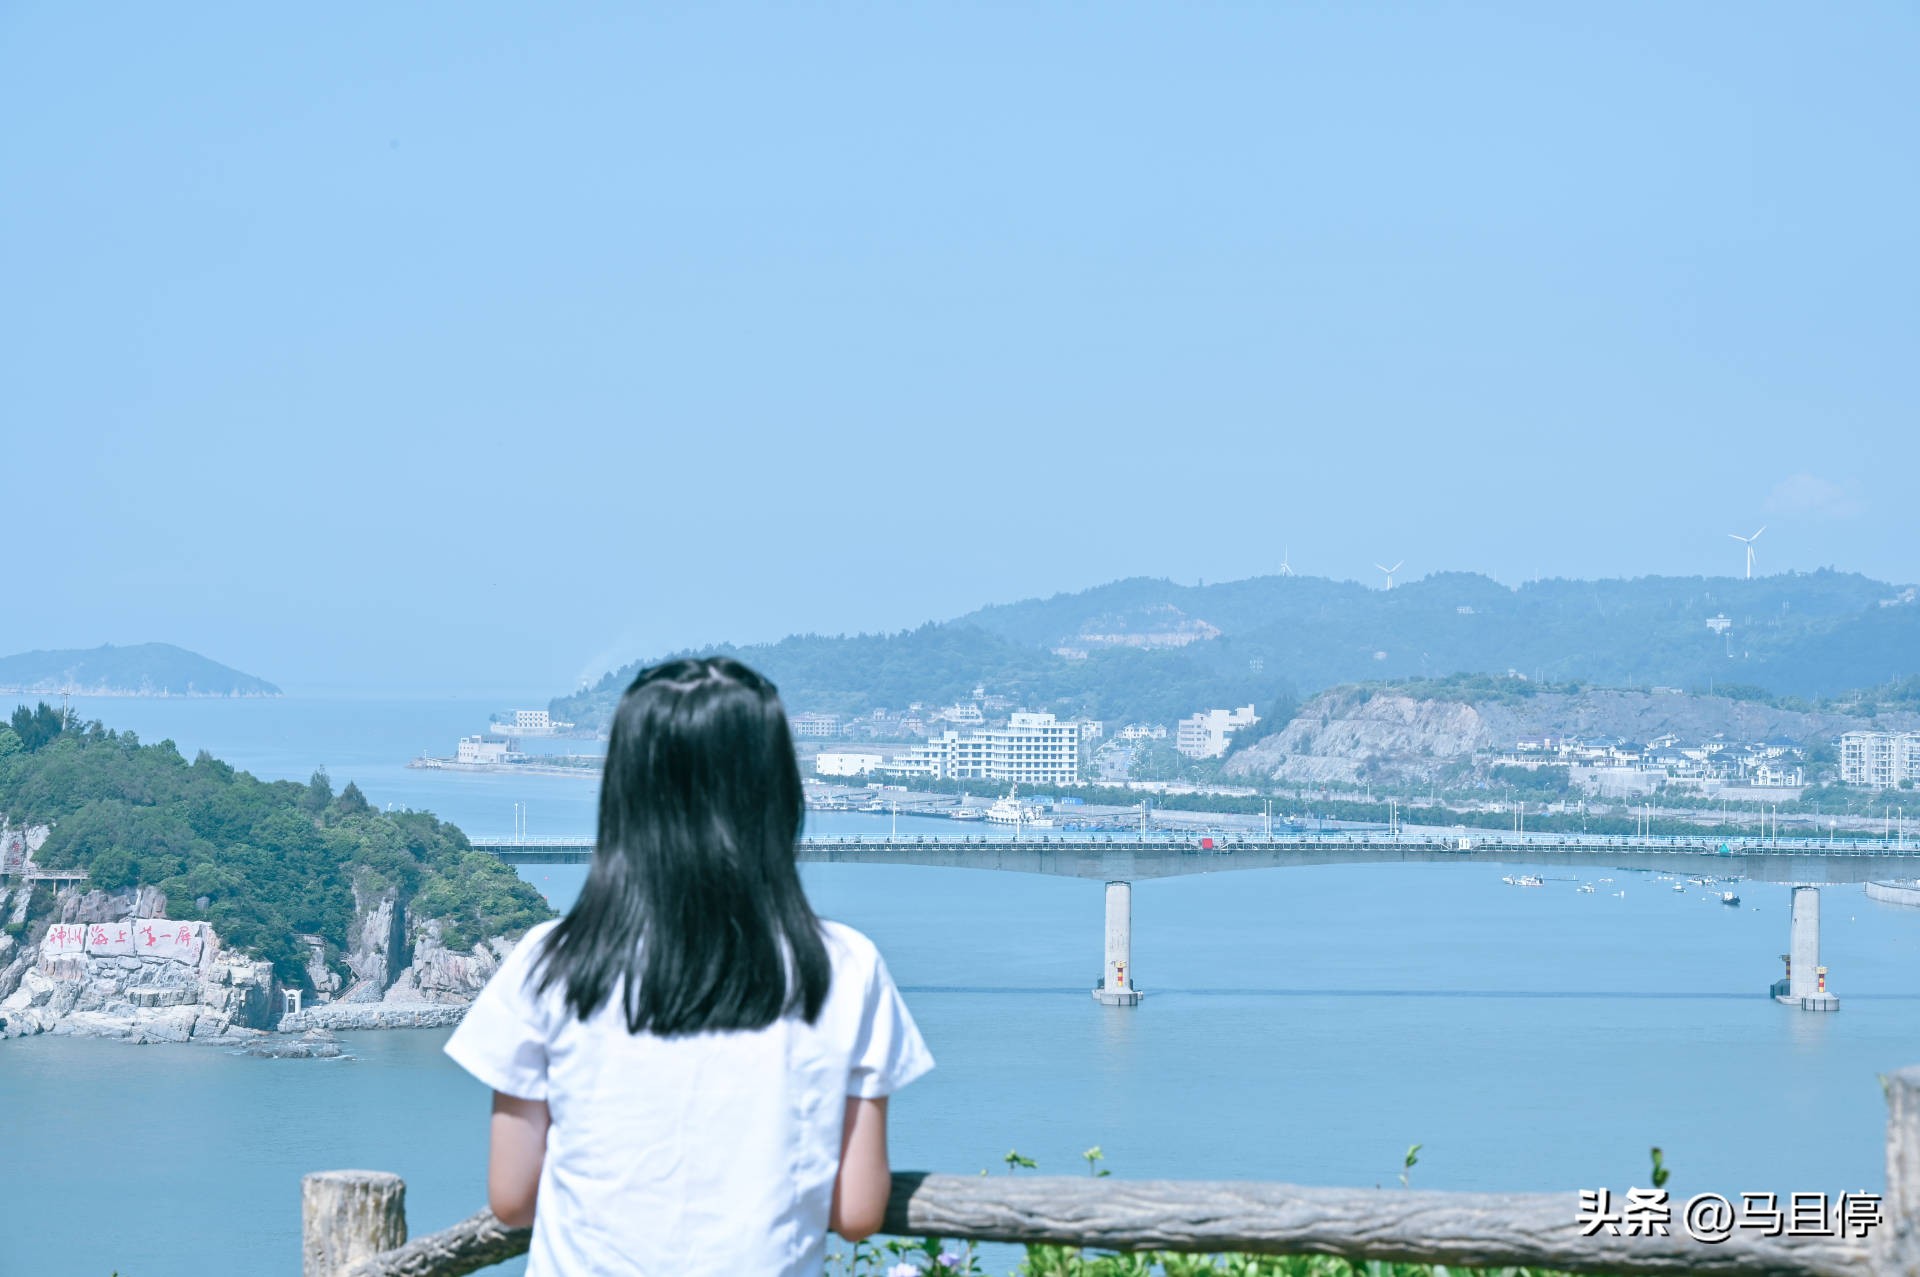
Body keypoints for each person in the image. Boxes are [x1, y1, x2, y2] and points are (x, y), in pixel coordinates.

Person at [445, 656, 933, 1276]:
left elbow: (513, 1200)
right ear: (776, 790)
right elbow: (859, 1211)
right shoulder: (844, 966)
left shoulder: (553, 962)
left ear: (624, 792)